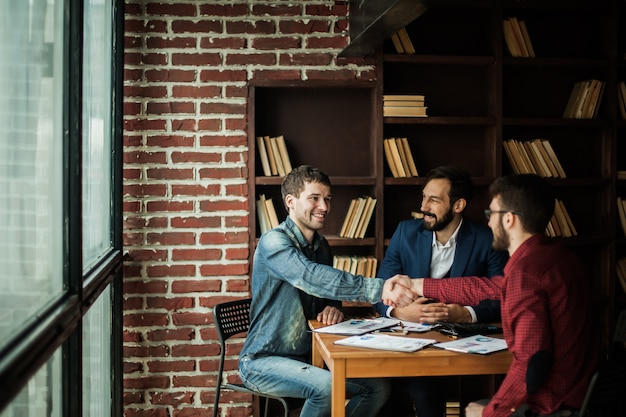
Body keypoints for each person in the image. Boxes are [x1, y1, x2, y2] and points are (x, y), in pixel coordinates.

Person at [411, 174, 600, 417]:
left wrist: (492, 412)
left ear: (509, 219)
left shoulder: (526, 273)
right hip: (583, 397)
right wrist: (418, 285)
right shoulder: (558, 259)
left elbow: (531, 361)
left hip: (551, 405)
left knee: (472, 409)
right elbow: (487, 288)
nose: (488, 224)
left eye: (491, 215)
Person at [239, 165, 418, 417]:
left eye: (327, 199)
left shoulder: (321, 246)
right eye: (314, 198)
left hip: (308, 357)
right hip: (262, 361)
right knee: (325, 387)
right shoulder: (274, 242)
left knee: (377, 387)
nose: (324, 206)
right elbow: (310, 277)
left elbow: (327, 294)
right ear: (290, 201)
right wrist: (379, 289)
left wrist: (334, 308)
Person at [374, 165, 508, 417]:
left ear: (458, 206)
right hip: (408, 339)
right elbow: (380, 290)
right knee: (416, 391)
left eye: (433, 200)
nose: (423, 206)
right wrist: (402, 313)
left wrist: (466, 314)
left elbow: (501, 296)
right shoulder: (405, 232)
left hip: (467, 343)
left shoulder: (486, 238)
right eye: (424, 197)